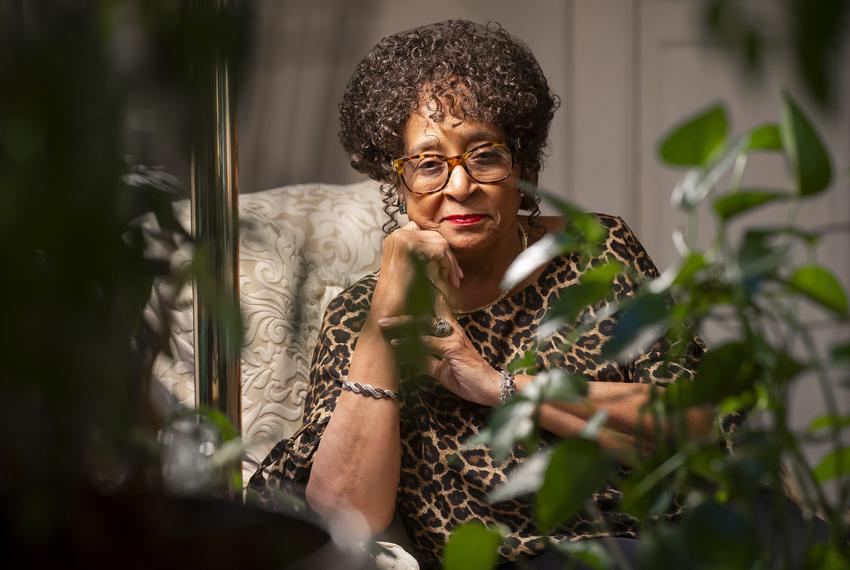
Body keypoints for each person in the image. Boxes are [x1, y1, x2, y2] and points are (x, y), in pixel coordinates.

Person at [252, 20, 707, 568]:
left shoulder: (597, 250)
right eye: (427, 164)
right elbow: (346, 513)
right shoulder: (358, 314)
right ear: (397, 182)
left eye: (485, 156)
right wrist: (384, 320)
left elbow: (694, 425)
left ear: (522, 162)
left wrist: (500, 385)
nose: (460, 185)